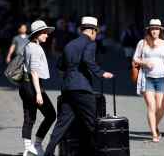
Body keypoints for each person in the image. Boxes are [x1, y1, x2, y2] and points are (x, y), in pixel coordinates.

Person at [44, 16, 113, 156]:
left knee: (61, 124)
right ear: (93, 31)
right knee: (92, 123)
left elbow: (60, 66)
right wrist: (101, 73)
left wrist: (70, 76)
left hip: (68, 89)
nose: (96, 35)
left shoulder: (70, 44)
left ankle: (48, 153)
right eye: (96, 32)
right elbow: (88, 60)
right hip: (82, 89)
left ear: (82, 30)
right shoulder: (90, 44)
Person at [133, 19, 164, 143]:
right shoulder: (142, 43)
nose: (154, 31)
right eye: (152, 28)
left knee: (160, 107)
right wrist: (145, 62)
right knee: (151, 107)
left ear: (160, 30)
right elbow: (135, 58)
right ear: (149, 30)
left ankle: (155, 126)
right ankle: (154, 133)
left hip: (162, 79)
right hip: (147, 79)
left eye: (157, 29)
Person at [19, 20, 56, 156]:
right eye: (45, 33)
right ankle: (37, 145)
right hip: (32, 86)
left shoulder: (29, 45)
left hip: (25, 85)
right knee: (51, 114)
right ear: (38, 34)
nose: (47, 35)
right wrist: (39, 93)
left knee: (29, 117)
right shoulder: (34, 48)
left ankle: (28, 148)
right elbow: (34, 72)